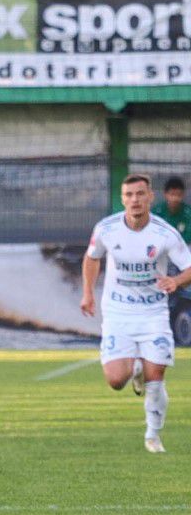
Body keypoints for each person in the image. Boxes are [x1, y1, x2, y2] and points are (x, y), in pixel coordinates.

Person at [80, 174, 191, 453]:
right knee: (116, 380)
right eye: (129, 195)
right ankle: (135, 369)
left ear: (150, 197)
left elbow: (189, 267)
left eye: (140, 194)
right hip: (118, 311)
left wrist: (176, 281)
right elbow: (92, 258)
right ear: (122, 199)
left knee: (156, 379)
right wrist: (88, 293)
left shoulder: (164, 233)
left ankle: (153, 436)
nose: (135, 200)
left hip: (153, 313)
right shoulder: (107, 228)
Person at [152, 176, 191, 244]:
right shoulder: (156, 211)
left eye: (179, 195)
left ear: (183, 195)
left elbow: (188, 237)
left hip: (182, 247)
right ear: (165, 194)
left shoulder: (188, 212)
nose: (175, 198)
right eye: (172, 194)